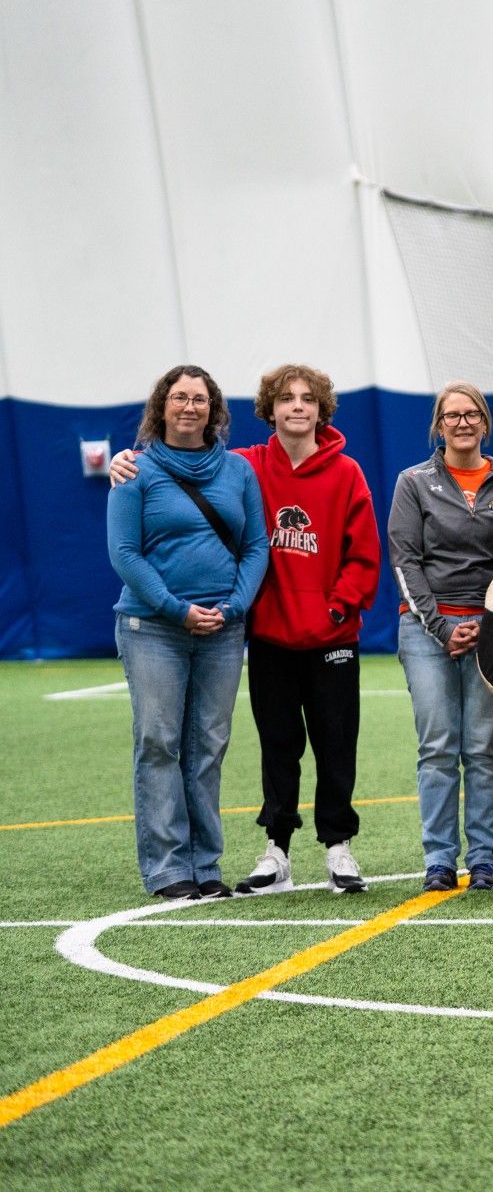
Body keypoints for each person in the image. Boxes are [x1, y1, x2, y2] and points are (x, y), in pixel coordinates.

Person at [105, 364, 380, 896]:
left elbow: (354, 554)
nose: (297, 407)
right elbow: (127, 546)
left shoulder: (334, 472)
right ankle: (263, 853)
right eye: (285, 398)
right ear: (268, 409)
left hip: (312, 637)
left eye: (307, 399)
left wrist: (334, 611)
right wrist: (122, 458)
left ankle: (327, 848)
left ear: (321, 410)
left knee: (324, 744)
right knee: (262, 746)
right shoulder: (242, 465)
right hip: (254, 636)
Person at [108, 366, 269, 900]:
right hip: (152, 627)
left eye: (199, 399)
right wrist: (178, 610)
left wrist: (235, 605)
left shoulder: (238, 471)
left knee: (208, 747)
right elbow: (125, 555)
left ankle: (206, 866)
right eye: (179, 397)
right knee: (159, 743)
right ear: (162, 406)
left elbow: (256, 547)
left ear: (214, 409)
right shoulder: (134, 471)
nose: (189, 407)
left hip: (223, 629)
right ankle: (167, 869)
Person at [389, 382, 493, 893]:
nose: (462, 423)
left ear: (484, 422)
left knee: (484, 748)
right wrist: (441, 627)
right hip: (425, 630)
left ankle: (484, 859)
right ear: (438, 426)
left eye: (471, 415)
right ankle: (439, 860)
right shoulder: (413, 482)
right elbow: (404, 559)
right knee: (438, 746)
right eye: (451, 415)